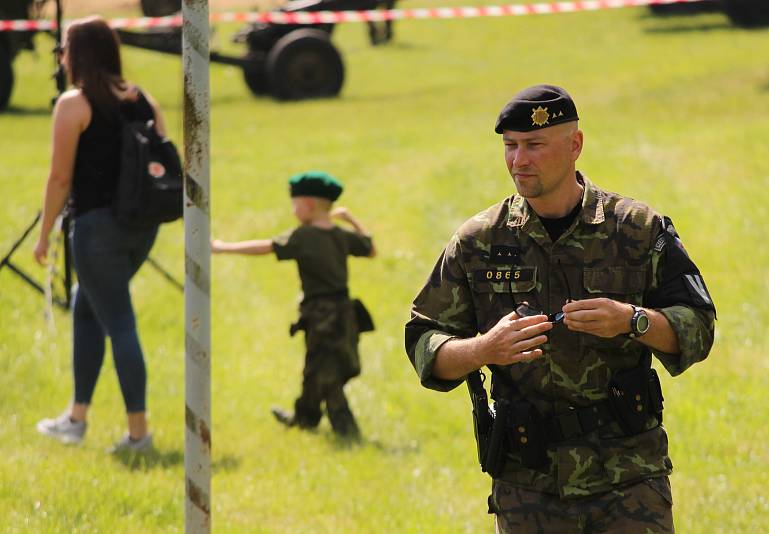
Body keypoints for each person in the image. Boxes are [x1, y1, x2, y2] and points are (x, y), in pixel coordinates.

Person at [405, 84, 716, 532]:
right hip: (528, 483)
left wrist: (632, 320)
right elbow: (423, 339)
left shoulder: (637, 229)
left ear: (575, 145)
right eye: (509, 147)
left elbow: (699, 325)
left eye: (534, 145)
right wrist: (483, 349)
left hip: (627, 478)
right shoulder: (479, 242)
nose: (518, 160)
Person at [33, 16, 169, 452]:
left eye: (64, 50)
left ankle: (138, 434)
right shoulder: (144, 99)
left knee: (120, 323)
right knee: (86, 306)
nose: (61, 57)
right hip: (140, 228)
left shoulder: (74, 104)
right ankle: (76, 416)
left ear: (77, 55)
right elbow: (161, 163)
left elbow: (59, 178)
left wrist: (43, 237)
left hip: (96, 230)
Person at [212, 171, 376, 439]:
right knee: (316, 367)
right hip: (344, 313)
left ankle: (347, 432)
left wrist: (223, 247)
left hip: (321, 315)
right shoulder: (340, 235)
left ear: (309, 205)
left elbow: (265, 247)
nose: (293, 210)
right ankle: (305, 419)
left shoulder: (303, 236)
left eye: (295, 204)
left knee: (326, 373)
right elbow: (371, 249)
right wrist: (350, 220)